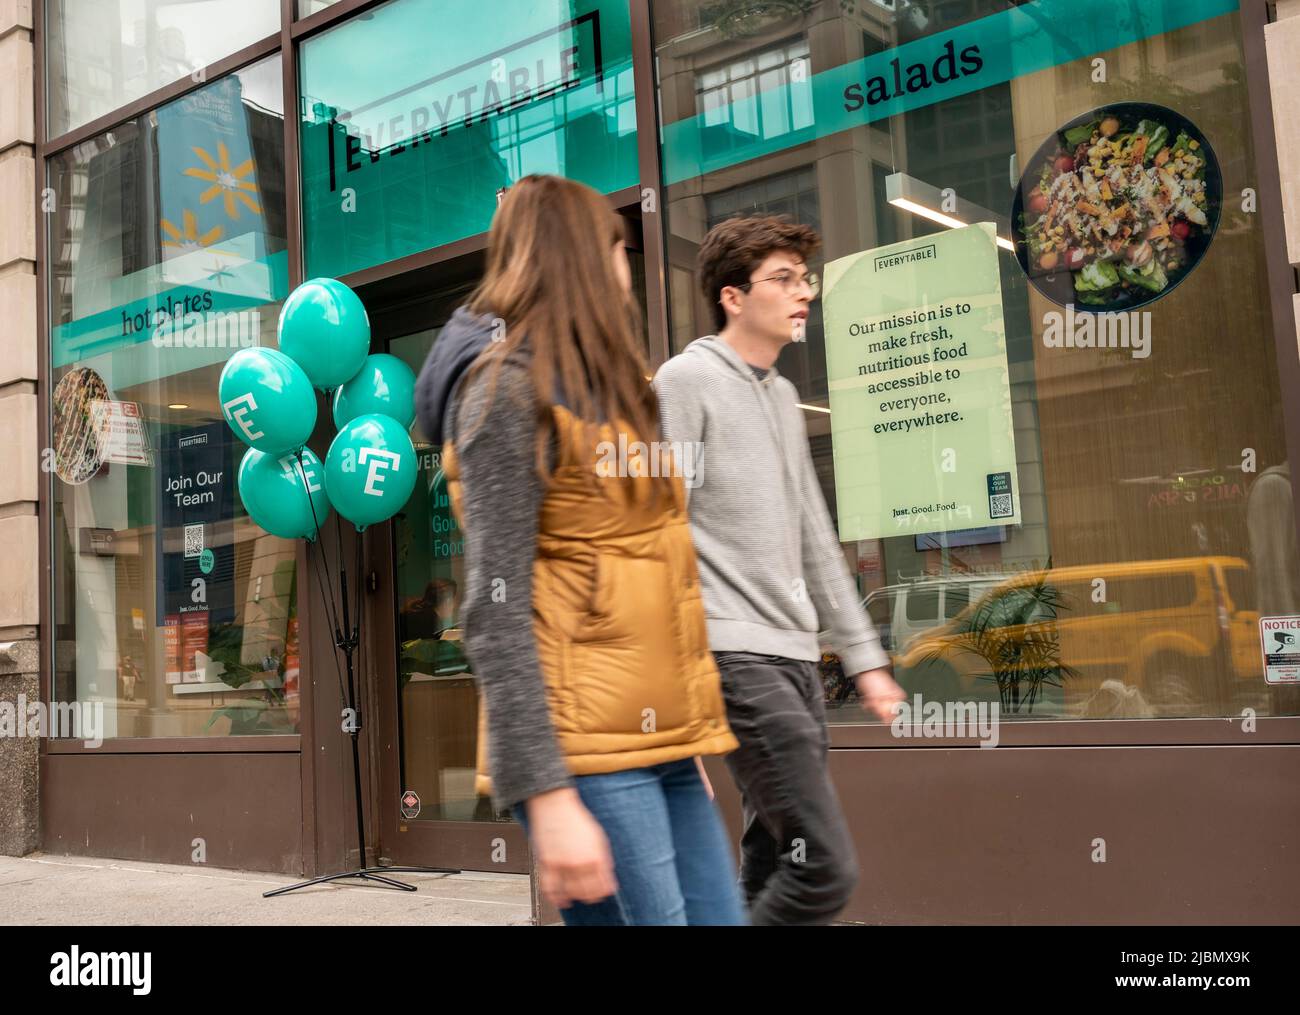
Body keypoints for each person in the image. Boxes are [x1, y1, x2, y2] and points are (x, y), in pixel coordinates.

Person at [414, 174, 744, 925]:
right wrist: (549, 795)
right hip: (582, 754)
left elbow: (654, 573)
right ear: (580, 259)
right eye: (617, 248)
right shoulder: (504, 395)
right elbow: (495, 610)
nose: (627, 267)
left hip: (659, 741)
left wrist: (681, 723)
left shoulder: (618, 393)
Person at [654, 214, 907, 925]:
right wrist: (673, 703)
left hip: (797, 659)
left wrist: (864, 659)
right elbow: (658, 536)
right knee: (826, 866)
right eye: (784, 279)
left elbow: (815, 539)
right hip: (736, 658)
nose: (804, 293)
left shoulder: (784, 396)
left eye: (807, 279)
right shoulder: (687, 380)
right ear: (733, 295)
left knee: (776, 855)